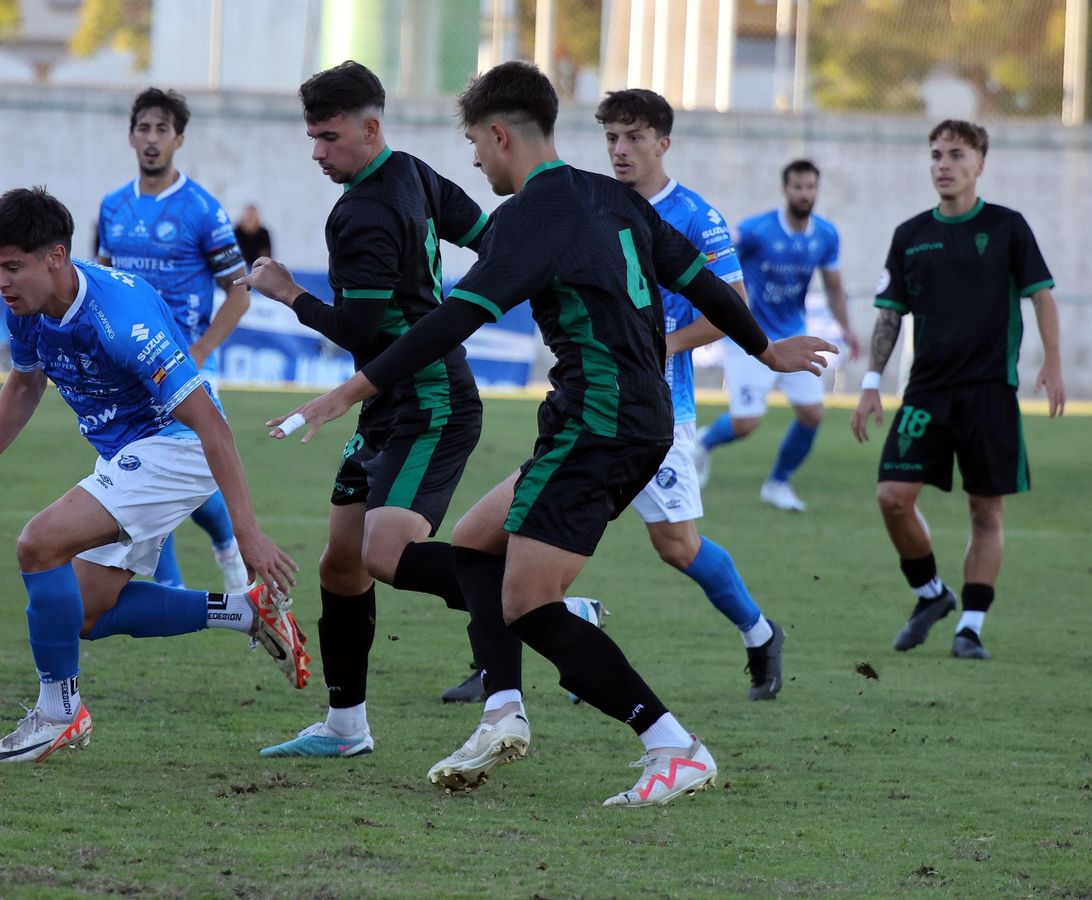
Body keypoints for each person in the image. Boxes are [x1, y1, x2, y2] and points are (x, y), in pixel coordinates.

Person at [267, 62, 833, 806]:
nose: (473, 159)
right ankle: (502, 711)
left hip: (598, 423)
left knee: (526, 602)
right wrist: (764, 349)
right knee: (473, 545)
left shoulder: (531, 217)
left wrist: (349, 390)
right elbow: (699, 281)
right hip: (621, 418)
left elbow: (452, 321)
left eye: (475, 142)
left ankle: (672, 744)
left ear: (501, 135)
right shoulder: (612, 197)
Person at [0, 187, 308, 762]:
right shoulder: (29, 311)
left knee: (39, 543)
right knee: (83, 613)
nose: (0, 282)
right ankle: (246, 611)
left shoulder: (120, 319)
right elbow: (26, 384)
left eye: (12, 267)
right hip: (128, 452)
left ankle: (59, 713)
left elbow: (213, 429)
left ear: (55, 256)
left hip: (176, 449)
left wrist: (247, 535)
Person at [237, 61, 489, 757]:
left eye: (328, 137)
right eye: (312, 137)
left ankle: (537, 603)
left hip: (430, 401)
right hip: (386, 403)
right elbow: (486, 235)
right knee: (340, 567)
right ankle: (346, 727)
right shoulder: (411, 170)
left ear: (370, 127)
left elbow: (361, 329)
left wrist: (287, 291)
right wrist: (453, 305)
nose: (317, 152)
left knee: (383, 553)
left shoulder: (364, 211)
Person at [595, 88, 785, 701]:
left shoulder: (696, 218)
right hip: (588, 400)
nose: (620, 151)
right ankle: (504, 661)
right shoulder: (594, 205)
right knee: (530, 522)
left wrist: (662, 346)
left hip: (658, 410)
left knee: (677, 545)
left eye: (633, 138)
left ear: (663, 143)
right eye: (611, 139)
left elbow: (734, 310)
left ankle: (759, 633)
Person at [851, 119, 1064, 661]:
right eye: (936, 154)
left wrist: (1053, 362)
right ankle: (931, 594)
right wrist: (871, 383)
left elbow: (1041, 297)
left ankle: (970, 626)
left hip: (990, 392)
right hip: (926, 393)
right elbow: (888, 316)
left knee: (985, 512)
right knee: (892, 497)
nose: (943, 164)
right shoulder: (911, 235)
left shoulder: (1008, 227)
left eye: (956, 154)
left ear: (980, 164)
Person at [96, 88, 253, 594]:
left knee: (189, 478)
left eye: (163, 129)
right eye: (144, 127)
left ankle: (224, 556)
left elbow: (240, 294)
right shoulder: (112, 207)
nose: (152, 138)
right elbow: (100, 283)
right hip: (124, 374)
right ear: (130, 136)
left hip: (179, 370)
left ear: (179, 139)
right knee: (141, 487)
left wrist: (201, 351)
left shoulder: (202, 209)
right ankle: (180, 600)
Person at [694, 160, 860, 510]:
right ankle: (704, 441)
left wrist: (847, 328)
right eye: (797, 187)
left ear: (817, 191)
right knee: (745, 424)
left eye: (810, 187)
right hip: (749, 337)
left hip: (794, 335)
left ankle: (777, 483)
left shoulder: (826, 235)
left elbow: (833, 286)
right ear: (784, 190)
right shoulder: (756, 230)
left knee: (813, 414)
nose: (804, 193)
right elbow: (717, 259)